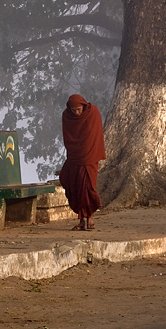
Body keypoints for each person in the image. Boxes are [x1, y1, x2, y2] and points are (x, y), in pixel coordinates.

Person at [58, 94, 106, 231]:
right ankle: (81, 220)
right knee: (74, 185)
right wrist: (75, 150)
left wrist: (87, 150)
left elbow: (94, 134)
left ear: (83, 106)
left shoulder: (93, 113)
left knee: (88, 188)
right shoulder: (67, 117)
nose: (77, 113)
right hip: (75, 156)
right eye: (74, 110)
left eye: (79, 109)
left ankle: (89, 217)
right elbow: (68, 136)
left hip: (90, 156)